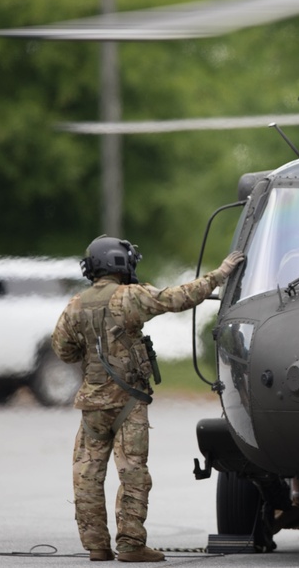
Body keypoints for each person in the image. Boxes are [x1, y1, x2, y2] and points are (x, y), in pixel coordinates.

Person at [52, 235, 244, 563]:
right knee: (133, 473)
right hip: (129, 404)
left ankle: (97, 546)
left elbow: (63, 350)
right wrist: (220, 274)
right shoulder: (131, 298)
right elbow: (178, 298)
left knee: (87, 474)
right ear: (120, 263)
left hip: (93, 407)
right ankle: (130, 545)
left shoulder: (76, 304)